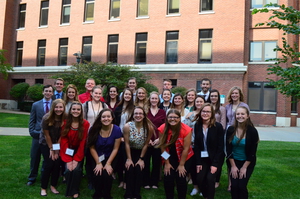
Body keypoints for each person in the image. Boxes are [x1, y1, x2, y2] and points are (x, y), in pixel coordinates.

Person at [157, 109, 194, 199]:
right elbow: (162, 147)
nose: (173, 119)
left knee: (180, 178)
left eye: (175, 117)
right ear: (167, 118)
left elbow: (185, 149)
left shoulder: (186, 130)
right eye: (170, 117)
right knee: (168, 177)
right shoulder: (162, 128)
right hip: (169, 155)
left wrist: (181, 165)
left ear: (179, 118)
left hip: (184, 157)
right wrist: (167, 163)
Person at [87, 109, 122, 199]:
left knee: (107, 174)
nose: (106, 119)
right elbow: (92, 147)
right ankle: (97, 193)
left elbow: (115, 149)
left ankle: (107, 194)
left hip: (111, 156)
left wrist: (108, 163)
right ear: (100, 118)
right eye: (103, 117)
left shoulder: (117, 130)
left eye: (108, 116)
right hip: (97, 156)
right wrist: (98, 163)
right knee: (98, 173)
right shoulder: (93, 129)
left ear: (112, 118)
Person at [226, 106, 259, 199]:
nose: (240, 116)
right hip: (233, 161)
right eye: (238, 114)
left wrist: (244, 167)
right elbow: (228, 149)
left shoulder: (252, 131)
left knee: (241, 186)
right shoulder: (231, 130)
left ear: (248, 116)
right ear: (235, 115)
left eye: (242, 114)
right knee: (234, 186)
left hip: (247, 162)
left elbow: (252, 152)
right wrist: (233, 166)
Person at [194, 103, 224, 199]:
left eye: (208, 111)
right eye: (203, 111)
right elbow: (197, 145)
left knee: (210, 178)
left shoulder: (218, 127)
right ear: (200, 112)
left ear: (212, 113)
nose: (205, 113)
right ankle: (206, 195)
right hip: (203, 157)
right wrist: (198, 162)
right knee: (199, 178)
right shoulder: (197, 125)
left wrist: (215, 164)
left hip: (215, 158)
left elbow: (220, 147)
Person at [60, 101, 90, 198]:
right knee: (68, 170)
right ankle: (69, 191)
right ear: (70, 110)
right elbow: (64, 140)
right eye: (74, 109)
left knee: (76, 170)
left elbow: (83, 142)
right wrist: (69, 160)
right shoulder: (65, 122)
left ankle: (75, 190)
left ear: (81, 111)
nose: (76, 111)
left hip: (79, 150)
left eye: (78, 109)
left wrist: (76, 159)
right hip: (67, 149)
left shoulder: (85, 124)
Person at [123, 106, 154, 199]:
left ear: (144, 116)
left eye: (140, 113)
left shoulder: (149, 127)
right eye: (136, 113)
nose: (138, 115)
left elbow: (146, 144)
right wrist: (129, 159)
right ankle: (128, 194)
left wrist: (141, 159)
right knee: (130, 168)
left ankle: (136, 194)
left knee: (138, 168)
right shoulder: (127, 126)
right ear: (133, 115)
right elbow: (127, 144)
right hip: (129, 150)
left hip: (141, 151)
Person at [82, 85, 108, 189]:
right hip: (89, 136)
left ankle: (99, 177)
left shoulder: (104, 105)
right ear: (91, 94)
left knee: (99, 157)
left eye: (99, 93)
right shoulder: (86, 105)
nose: (97, 95)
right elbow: (82, 120)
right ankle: (90, 180)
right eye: (95, 93)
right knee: (89, 159)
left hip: (101, 135)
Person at [27, 85, 54, 186]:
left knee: (48, 158)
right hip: (37, 135)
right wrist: (33, 132)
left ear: (52, 93)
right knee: (35, 157)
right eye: (46, 91)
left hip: (49, 137)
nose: (48, 93)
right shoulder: (35, 105)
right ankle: (32, 177)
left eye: (50, 91)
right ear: (43, 92)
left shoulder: (55, 105)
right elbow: (32, 120)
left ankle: (45, 176)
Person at [39, 99, 66, 196]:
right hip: (46, 143)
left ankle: (53, 186)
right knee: (49, 164)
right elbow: (47, 135)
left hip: (58, 143)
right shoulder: (46, 118)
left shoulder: (65, 118)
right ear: (53, 107)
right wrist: (51, 149)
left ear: (64, 108)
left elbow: (62, 135)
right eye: (56, 107)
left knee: (57, 164)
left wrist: (56, 150)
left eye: (60, 107)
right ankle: (43, 187)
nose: (58, 109)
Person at [182, 95, 205, 196]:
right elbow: (184, 127)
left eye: (201, 101)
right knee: (193, 167)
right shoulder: (190, 114)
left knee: (203, 168)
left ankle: (203, 188)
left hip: (204, 146)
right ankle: (195, 187)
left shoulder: (206, 114)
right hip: (192, 144)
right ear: (194, 103)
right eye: (197, 102)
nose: (199, 103)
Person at [143, 92, 166, 189]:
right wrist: (147, 139)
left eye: (155, 98)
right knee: (146, 161)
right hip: (147, 141)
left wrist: (159, 139)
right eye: (152, 98)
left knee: (157, 162)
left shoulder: (162, 112)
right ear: (149, 99)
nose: (154, 100)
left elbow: (165, 127)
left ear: (158, 100)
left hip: (158, 141)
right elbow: (142, 126)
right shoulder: (145, 111)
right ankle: (146, 182)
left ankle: (154, 182)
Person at [114, 88, 135, 188]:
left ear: (131, 96)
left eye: (129, 95)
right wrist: (119, 136)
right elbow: (115, 123)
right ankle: (121, 180)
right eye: (125, 94)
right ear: (123, 96)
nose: (127, 96)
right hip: (119, 136)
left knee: (128, 159)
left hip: (131, 137)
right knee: (120, 160)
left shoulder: (134, 108)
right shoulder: (118, 108)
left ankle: (127, 181)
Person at [208, 89, 226, 188]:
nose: (213, 97)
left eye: (215, 96)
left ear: (218, 97)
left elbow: (223, 124)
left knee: (218, 158)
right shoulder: (207, 107)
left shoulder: (222, 109)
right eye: (212, 96)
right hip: (207, 135)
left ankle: (217, 180)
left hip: (218, 135)